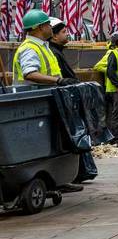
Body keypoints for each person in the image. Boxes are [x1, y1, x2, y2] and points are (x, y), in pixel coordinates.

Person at [11, 11, 85, 192]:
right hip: (32, 103)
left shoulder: (43, 46)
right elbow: (30, 73)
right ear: (38, 28)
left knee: (55, 141)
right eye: (47, 25)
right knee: (41, 143)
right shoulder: (30, 48)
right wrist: (58, 81)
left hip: (48, 100)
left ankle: (57, 179)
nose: (51, 27)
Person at [47, 17, 99, 184]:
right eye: (63, 32)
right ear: (53, 36)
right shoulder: (52, 52)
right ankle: (76, 174)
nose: (67, 34)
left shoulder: (56, 51)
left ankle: (81, 172)